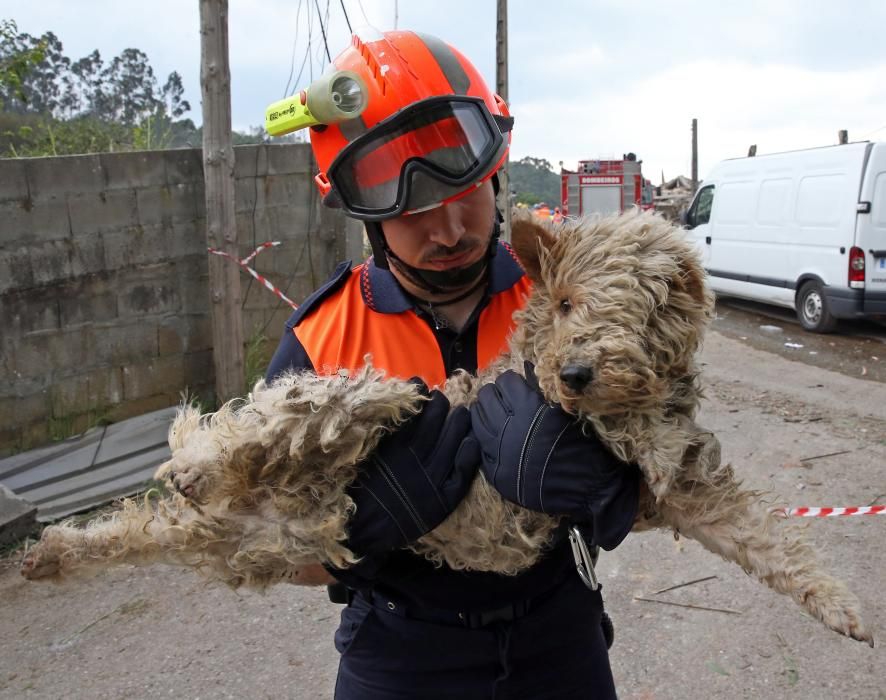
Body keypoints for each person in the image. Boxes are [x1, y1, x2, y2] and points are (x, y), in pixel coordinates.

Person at [265, 29, 641, 700]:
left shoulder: (561, 300)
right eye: (410, 211)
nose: (447, 231)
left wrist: (615, 491)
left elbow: (667, 442)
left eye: (465, 191)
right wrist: (350, 533)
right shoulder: (321, 342)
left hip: (559, 639)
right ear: (366, 216)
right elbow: (260, 539)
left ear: (495, 170)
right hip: (398, 655)